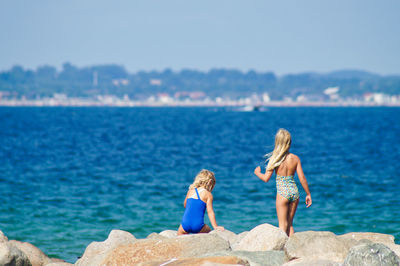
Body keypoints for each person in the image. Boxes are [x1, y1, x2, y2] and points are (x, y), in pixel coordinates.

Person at [254, 128, 312, 236]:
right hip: (294, 191)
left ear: (277, 142)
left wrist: (257, 173)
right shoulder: (295, 158)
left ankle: (282, 250)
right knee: (290, 224)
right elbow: (302, 178)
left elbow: (266, 178)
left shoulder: (275, 158)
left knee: (282, 226)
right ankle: (292, 248)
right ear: (289, 143)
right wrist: (308, 194)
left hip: (282, 192)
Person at [178, 169, 225, 235]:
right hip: (198, 226)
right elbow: (210, 212)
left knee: (179, 237)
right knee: (209, 231)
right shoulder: (208, 195)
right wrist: (215, 226)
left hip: (184, 225)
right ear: (209, 183)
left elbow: (185, 205)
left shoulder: (190, 191)